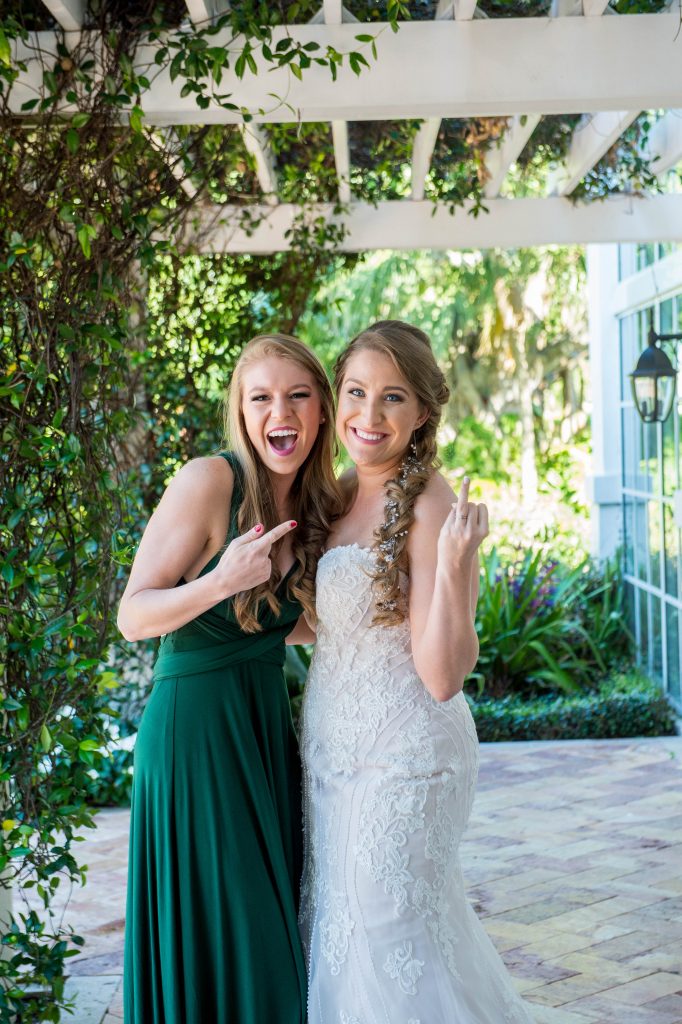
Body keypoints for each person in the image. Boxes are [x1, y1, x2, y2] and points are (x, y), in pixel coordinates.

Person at [299, 320, 535, 1023]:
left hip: (408, 756)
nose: (369, 416)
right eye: (357, 392)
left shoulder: (429, 503)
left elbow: (441, 675)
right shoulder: (334, 493)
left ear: (424, 411)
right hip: (333, 752)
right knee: (339, 931)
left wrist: (458, 567)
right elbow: (329, 623)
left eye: (393, 398)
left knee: (386, 930)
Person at [117, 334, 340, 1024]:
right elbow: (133, 615)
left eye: (299, 395)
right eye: (263, 397)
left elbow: (287, 626)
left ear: (323, 412)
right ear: (241, 414)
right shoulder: (209, 482)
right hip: (196, 742)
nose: (283, 413)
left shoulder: (309, 502)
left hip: (262, 734)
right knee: (240, 936)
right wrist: (219, 582)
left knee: (270, 929)